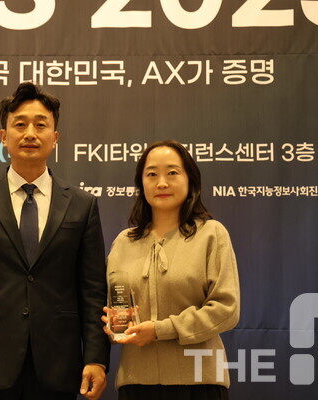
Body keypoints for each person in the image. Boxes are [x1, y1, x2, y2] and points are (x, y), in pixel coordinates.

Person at [0, 82, 110, 400]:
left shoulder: (82, 205)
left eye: (41, 125)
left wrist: (96, 358)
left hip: (58, 367)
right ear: (4, 136)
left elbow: (93, 291)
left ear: (55, 138)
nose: (30, 133)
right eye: (20, 124)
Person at [102, 140, 240, 400]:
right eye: (152, 174)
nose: (162, 183)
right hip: (136, 383)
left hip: (199, 383)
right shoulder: (124, 242)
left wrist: (160, 330)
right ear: (141, 183)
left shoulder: (211, 234)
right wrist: (114, 324)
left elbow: (226, 309)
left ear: (190, 180)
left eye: (172, 173)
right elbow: (113, 306)